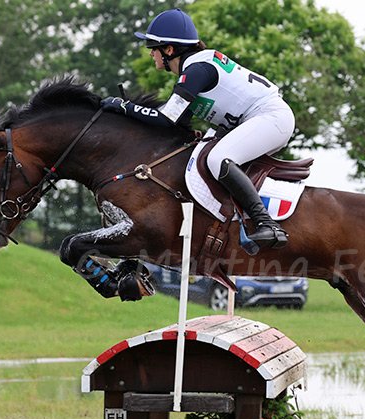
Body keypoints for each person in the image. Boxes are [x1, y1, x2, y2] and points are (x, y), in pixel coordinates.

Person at [100, 8, 292, 250]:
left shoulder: (195, 71)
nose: (150, 53)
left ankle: (266, 223)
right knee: (198, 153)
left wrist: (125, 107)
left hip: (271, 118)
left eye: (153, 47)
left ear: (169, 50)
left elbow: (167, 119)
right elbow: (179, 122)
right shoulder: (193, 69)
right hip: (256, 119)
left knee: (218, 159)